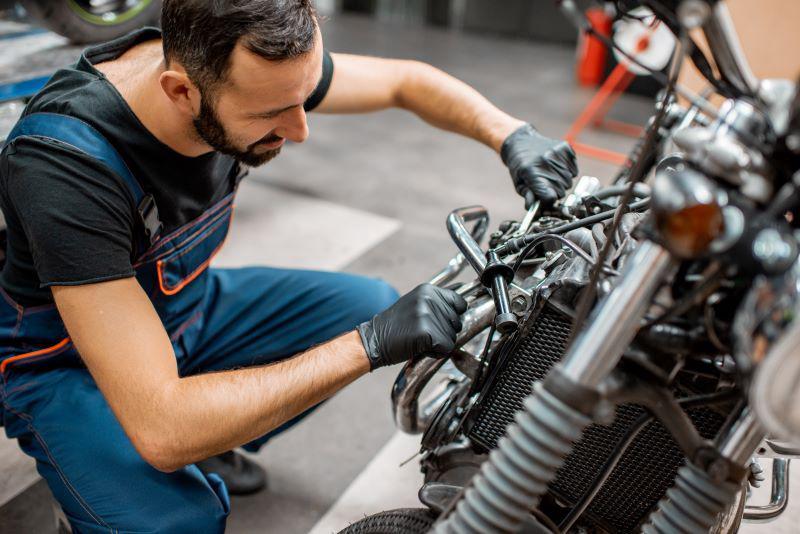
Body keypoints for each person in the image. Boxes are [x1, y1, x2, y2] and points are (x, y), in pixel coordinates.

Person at [0, 0, 577, 531]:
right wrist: (369, 345)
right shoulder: (67, 164)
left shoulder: (246, 66)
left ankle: (215, 427)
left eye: (303, 99)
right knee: (176, 520)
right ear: (180, 92)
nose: (301, 129)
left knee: (365, 301)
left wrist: (512, 135)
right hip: (65, 362)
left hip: (182, 307)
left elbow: (407, 82)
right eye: (274, 113)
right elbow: (162, 428)